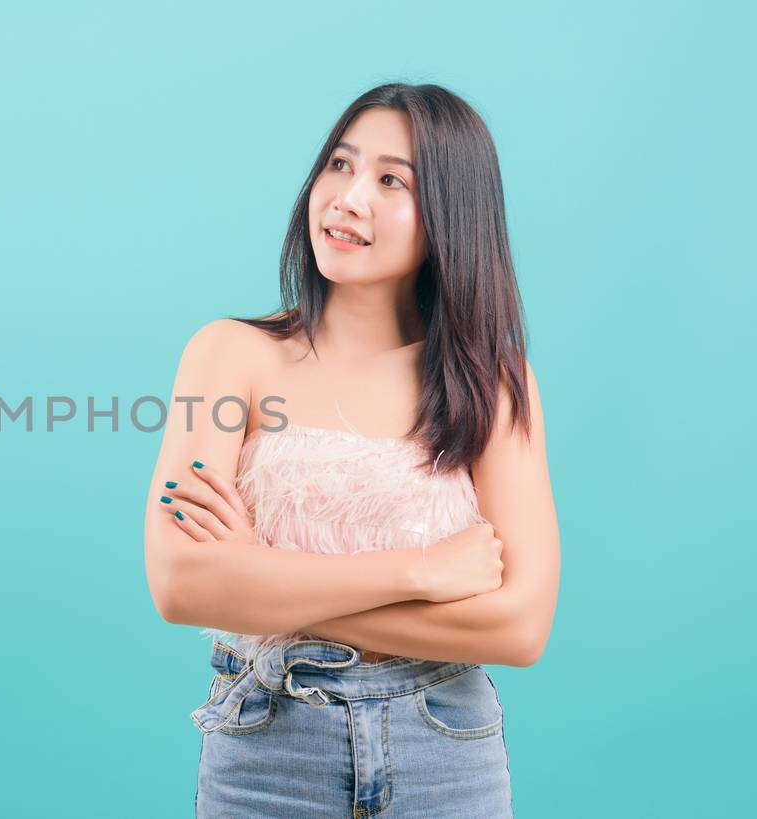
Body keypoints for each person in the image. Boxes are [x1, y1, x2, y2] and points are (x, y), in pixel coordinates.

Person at [141, 82, 561, 818]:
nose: (348, 197)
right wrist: (419, 573)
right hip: (268, 748)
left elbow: (520, 627)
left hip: (445, 750)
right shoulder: (229, 356)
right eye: (339, 165)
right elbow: (182, 584)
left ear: (449, 218)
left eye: (390, 180)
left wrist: (264, 584)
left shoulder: (491, 383)